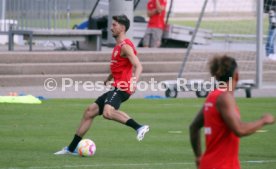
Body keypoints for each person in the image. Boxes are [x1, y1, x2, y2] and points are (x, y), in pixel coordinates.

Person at [54, 14, 150, 155]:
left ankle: (139, 127)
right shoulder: (118, 46)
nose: (111, 28)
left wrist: (133, 83)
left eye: (114, 25)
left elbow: (138, 66)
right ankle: (71, 148)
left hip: (123, 87)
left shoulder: (125, 46)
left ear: (122, 28)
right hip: (117, 85)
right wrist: (108, 79)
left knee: (107, 112)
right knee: (89, 111)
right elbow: (118, 66)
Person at [189, 55, 275, 169]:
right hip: (223, 165)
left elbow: (193, 127)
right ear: (236, 76)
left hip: (210, 164)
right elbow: (239, 129)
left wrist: (198, 157)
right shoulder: (224, 98)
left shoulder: (212, 96)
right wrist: (263, 120)